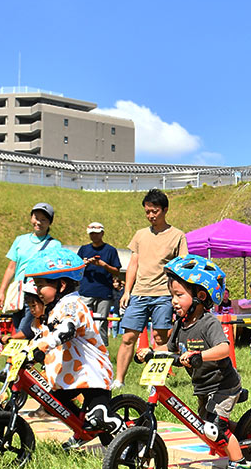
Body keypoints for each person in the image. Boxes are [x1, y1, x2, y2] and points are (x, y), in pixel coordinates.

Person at [161, 255, 251, 469]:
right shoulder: (180, 325)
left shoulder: (208, 323)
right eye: (172, 295)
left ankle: (241, 465)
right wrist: (149, 352)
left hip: (223, 385)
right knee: (207, 424)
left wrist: (199, 355)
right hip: (202, 386)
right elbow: (168, 348)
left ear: (200, 296)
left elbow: (223, 348)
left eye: (179, 295)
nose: (174, 301)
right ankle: (248, 431)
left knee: (214, 427)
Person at [24, 248, 119, 451]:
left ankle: (131, 441)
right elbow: (45, 335)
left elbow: (66, 330)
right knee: (53, 402)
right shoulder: (55, 307)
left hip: (92, 373)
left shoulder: (71, 304)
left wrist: (40, 349)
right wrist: (27, 350)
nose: (38, 290)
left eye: (41, 284)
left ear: (62, 284)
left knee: (100, 416)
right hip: (72, 374)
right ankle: (82, 430)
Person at [114, 189, 188, 389]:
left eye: (154, 211)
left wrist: (178, 295)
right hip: (138, 293)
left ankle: (155, 382)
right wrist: (127, 291)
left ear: (165, 210)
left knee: (160, 338)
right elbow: (133, 264)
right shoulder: (140, 235)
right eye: (147, 212)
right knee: (128, 337)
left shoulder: (178, 235)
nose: (151, 216)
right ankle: (118, 380)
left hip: (164, 295)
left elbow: (182, 267)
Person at [0, 202, 62, 316]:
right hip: (18, 293)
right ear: (31, 218)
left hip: (36, 294)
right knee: (17, 328)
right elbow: (11, 268)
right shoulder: (20, 240)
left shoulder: (54, 245)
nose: (38, 222)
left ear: (50, 223)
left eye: (44, 220)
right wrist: (1, 291)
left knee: (25, 331)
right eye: (36, 218)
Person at [77, 221, 122, 345]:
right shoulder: (84, 249)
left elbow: (117, 271)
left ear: (102, 233)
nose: (94, 236)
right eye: (91, 234)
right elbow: (75, 268)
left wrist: (104, 265)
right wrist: (84, 264)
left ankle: (102, 349)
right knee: (84, 321)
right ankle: (84, 346)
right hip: (86, 291)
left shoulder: (110, 250)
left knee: (102, 322)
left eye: (96, 233)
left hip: (104, 292)